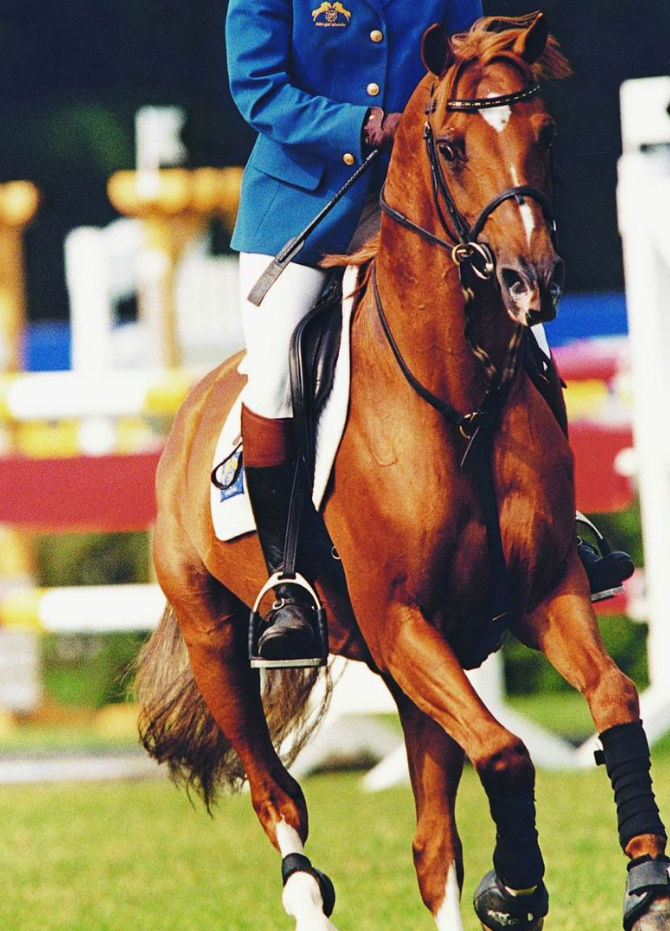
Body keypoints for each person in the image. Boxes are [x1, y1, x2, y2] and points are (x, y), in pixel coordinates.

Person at [226, 0, 484, 666]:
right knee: (276, 368)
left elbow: (470, 56)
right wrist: (364, 124)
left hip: (425, 201)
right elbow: (258, 88)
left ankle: (557, 530)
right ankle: (286, 583)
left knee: (512, 320)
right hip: (303, 204)